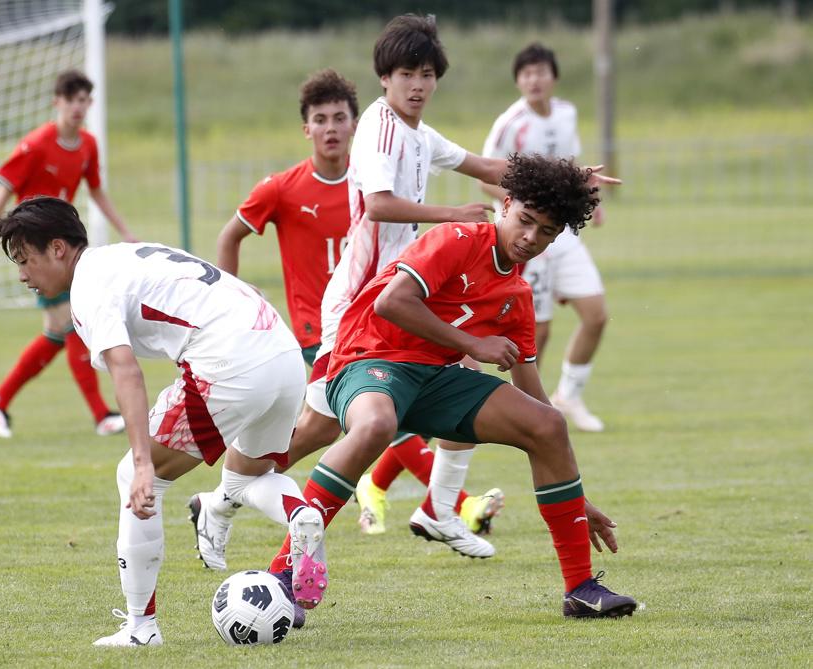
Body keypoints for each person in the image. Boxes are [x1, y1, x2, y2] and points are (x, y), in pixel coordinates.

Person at [270, 152, 637, 619]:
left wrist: (576, 499)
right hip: (368, 358)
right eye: (525, 220)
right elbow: (391, 302)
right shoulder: (457, 238)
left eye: (546, 232)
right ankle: (284, 573)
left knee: (546, 424)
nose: (530, 238)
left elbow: (534, 400)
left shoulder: (516, 296)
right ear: (504, 204)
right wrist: (474, 345)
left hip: (434, 380)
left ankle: (581, 590)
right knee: (376, 425)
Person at [188, 56, 505, 579]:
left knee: (353, 421)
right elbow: (378, 207)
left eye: (427, 75)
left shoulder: (418, 137)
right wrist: (234, 305)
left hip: (397, 304)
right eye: (408, 74)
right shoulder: (359, 149)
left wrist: (559, 178)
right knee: (352, 426)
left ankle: (437, 508)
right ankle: (234, 511)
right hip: (352, 316)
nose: (419, 85)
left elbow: (488, 167)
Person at [0, 196, 328, 646]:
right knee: (245, 478)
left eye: (26, 260)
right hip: (281, 354)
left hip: (231, 360)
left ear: (59, 248)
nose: (23, 274)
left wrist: (144, 462)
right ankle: (301, 515)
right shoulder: (122, 255)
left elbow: (126, 369)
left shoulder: (88, 287)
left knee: (135, 476)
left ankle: (142, 628)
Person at [0, 70, 135, 439]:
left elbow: (97, 191)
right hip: (36, 249)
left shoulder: (88, 144)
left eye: (84, 100)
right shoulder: (38, 144)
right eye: (72, 100)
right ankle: (100, 415)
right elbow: (3, 193)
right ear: (57, 101)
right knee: (69, 325)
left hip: (61, 249)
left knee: (62, 330)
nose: (79, 107)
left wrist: (126, 232)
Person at [482, 43, 610, 432]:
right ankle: (524, 410)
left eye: (540, 72)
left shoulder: (567, 113)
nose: (533, 80)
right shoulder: (510, 123)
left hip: (564, 233)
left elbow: (570, 166)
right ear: (518, 80)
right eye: (526, 73)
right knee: (538, 330)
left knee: (596, 314)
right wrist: (520, 212)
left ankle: (568, 396)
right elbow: (484, 174)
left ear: (553, 76)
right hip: (527, 237)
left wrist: (588, 198)